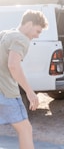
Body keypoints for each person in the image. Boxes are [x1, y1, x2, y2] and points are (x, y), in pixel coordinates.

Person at [0, 10, 48, 149]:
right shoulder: (21, 39)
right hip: (6, 92)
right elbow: (13, 65)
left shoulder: (4, 34)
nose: (37, 36)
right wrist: (29, 92)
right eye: (37, 31)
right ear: (29, 24)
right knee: (25, 129)